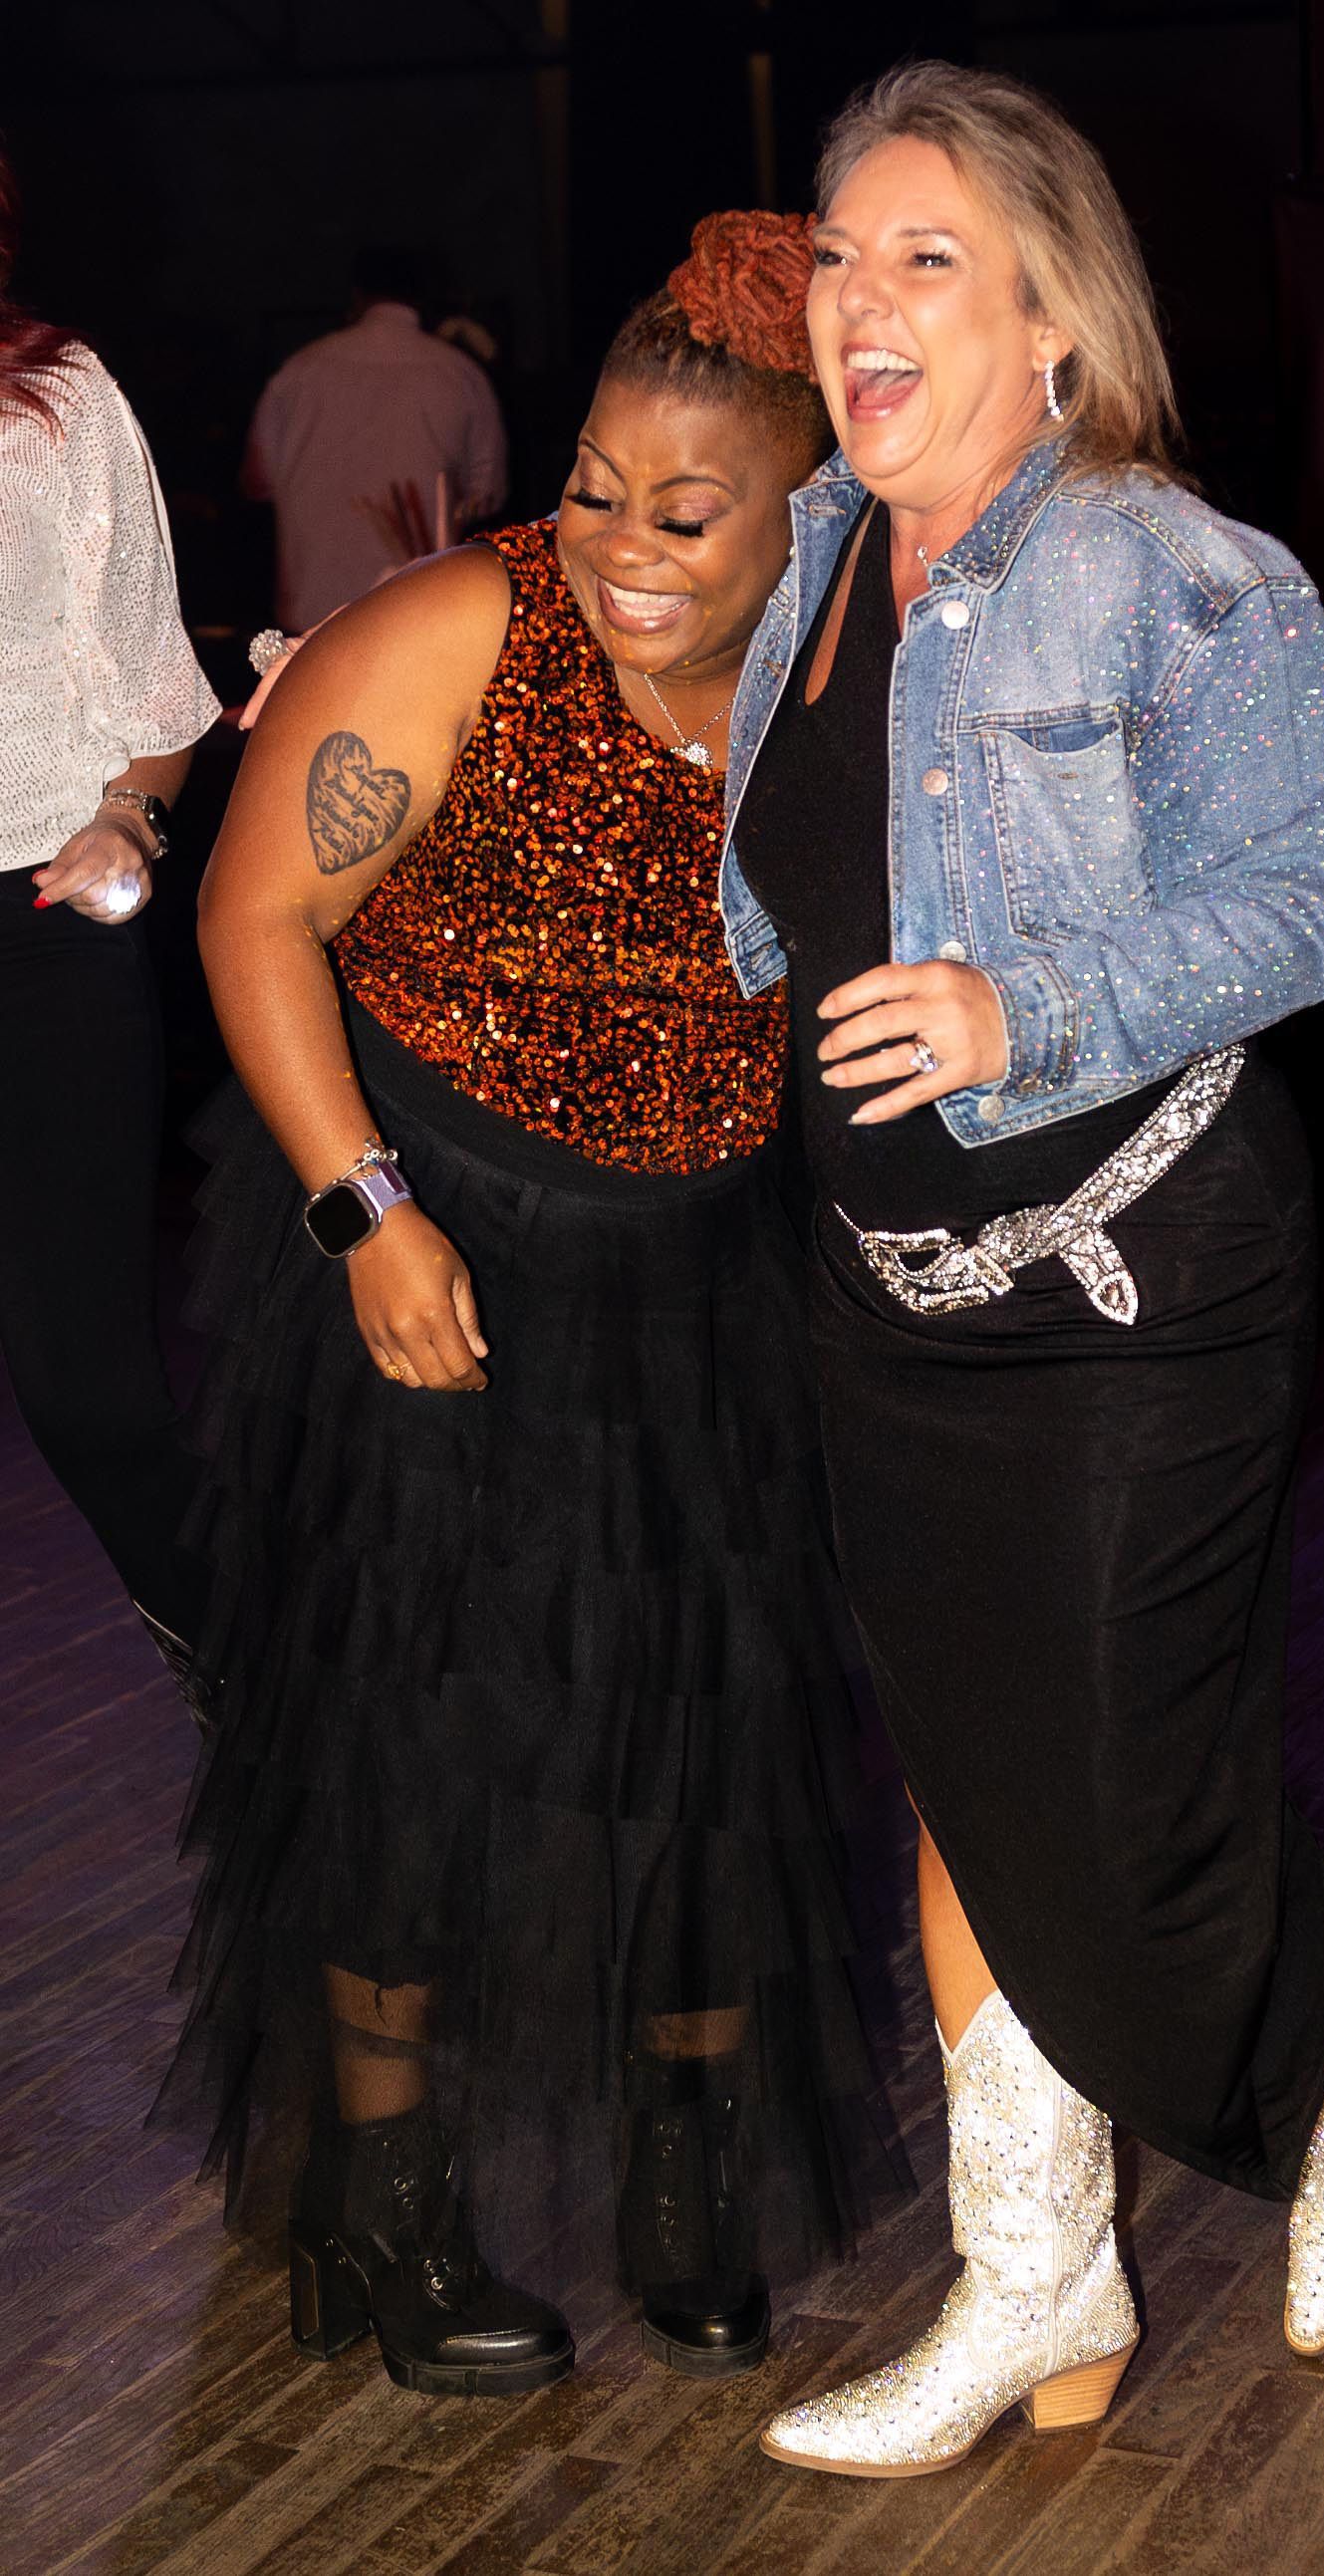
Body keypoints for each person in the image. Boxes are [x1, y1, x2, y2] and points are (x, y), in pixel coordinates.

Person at [716, 66, 1324, 2478]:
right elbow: (780, 901)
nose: (859, 303)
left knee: (1121, 1794)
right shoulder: (814, 557)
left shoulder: (1186, 572)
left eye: (926, 258)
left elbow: (1298, 906)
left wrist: (1030, 1009)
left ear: (1054, 319)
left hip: (1139, 1275)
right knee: (964, 1784)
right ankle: (1029, 2263)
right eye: (838, 257)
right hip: (882, 1295)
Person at [155, 212, 904, 2399]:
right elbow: (255, 912)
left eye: (685, 510)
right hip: (438, 1241)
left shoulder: (845, 665)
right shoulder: (457, 623)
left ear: (807, 510)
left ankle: (691, 2171)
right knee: (420, 1739)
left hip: (709, 1268)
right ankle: (380, 2216)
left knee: (709, 1723)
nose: (620, 541)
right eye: (592, 481)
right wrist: (364, 1216)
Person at [0, 150, 220, 1700]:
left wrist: (124, 824)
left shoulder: (60, 400)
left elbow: (153, 679)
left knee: (89, 1385)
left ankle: (253, 1670)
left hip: (39, 916)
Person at [244, 245, 508, 631]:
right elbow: (486, 496)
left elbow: (255, 481)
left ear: (357, 295)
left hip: (310, 626)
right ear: (424, 295)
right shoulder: (462, 374)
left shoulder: (297, 372)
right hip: (414, 620)